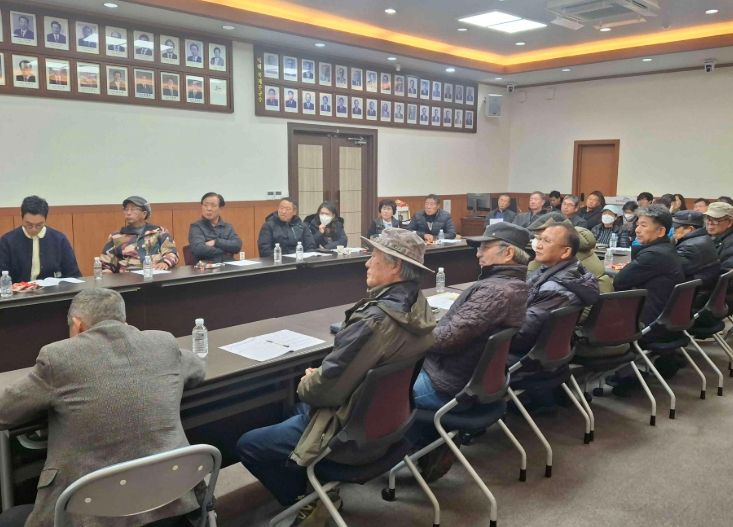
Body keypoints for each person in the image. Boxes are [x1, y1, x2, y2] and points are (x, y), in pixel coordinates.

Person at [237, 229, 435, 524]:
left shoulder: (373, 321)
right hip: (389, 426)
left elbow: (322, 392)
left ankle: (310, 498)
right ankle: (312, 479)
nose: (366, 263)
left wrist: (310, 379)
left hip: (348, 434)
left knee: (249, 444)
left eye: (373, 256)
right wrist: (327, 375)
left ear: (395, 266)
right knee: (297, 411)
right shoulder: (419, 308)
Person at [0, 289, 206, 527]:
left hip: (89, 516)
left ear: (78, 325)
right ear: (124, 321)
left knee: (8, 520)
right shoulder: (163, 343)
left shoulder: (57, 357)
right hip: (171, 501)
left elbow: (5, 411)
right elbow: (198, 370)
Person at [416, 223, 530, 411]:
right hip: (466, 377)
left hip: (446, 384)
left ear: (508, 253)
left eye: (485, 247)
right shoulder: (514, 285)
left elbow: (446, 339)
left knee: (374, 393)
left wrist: (413, 332)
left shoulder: (495, 292)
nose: (478, 253)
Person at [509, 223, 600, 362]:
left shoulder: (556, 289)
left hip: (529, 358)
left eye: (547, 241)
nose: (538, 245)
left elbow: (521, 335)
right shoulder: (558, 271)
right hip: (543, 351)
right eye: (539, 239)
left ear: (566, 252)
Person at [614, 205, 685, 338]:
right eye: (637, 225)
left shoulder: (654, 255)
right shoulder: (666, 248)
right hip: (665, 318)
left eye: (643, 225)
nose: (637, 230)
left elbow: (619, 281)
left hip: (649, 324)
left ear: (660, 231)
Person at [0, 196, 80, 282]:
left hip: (52, 289)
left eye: (39, 225)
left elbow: (73, 274)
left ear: (45, 219)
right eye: (29, 224)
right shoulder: (7, 241)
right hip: (19, 290)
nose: (34, 229)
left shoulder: (59, 240)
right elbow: (2, 275)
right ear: (21, 216)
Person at [100, 196, 179, 272]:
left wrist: (165, 263)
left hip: (156, 275)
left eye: (133, 209)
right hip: (127, 278)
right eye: (126, 209)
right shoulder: (116, 237)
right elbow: (105, 265)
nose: (128, 213)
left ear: (144, 214)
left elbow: (172, 253)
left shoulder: (159, 232)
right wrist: (108, 275)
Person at [671, 210, 720, 303]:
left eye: (676, 227)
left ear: (690, 229)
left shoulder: (690, 247)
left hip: (693, 297)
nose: (673, 230)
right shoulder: (703, 238)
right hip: (704, 290)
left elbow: (673, 271)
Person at [188, 192, 242, 263]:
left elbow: (237, 245)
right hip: (207, 266)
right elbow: (199, 249)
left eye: (213, 205)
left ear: (220, 208)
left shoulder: (227, 227)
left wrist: (216, 242)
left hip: (229, 266)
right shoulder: (196, 227)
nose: (209, 209)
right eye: (205, 205)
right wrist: (226, 250)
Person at [705, 201, 733, 272]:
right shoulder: (707, 235)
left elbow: (725, 272)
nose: (710, 223)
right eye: (708, 218)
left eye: (715, 220)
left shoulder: (730, 244)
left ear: (730, 222)